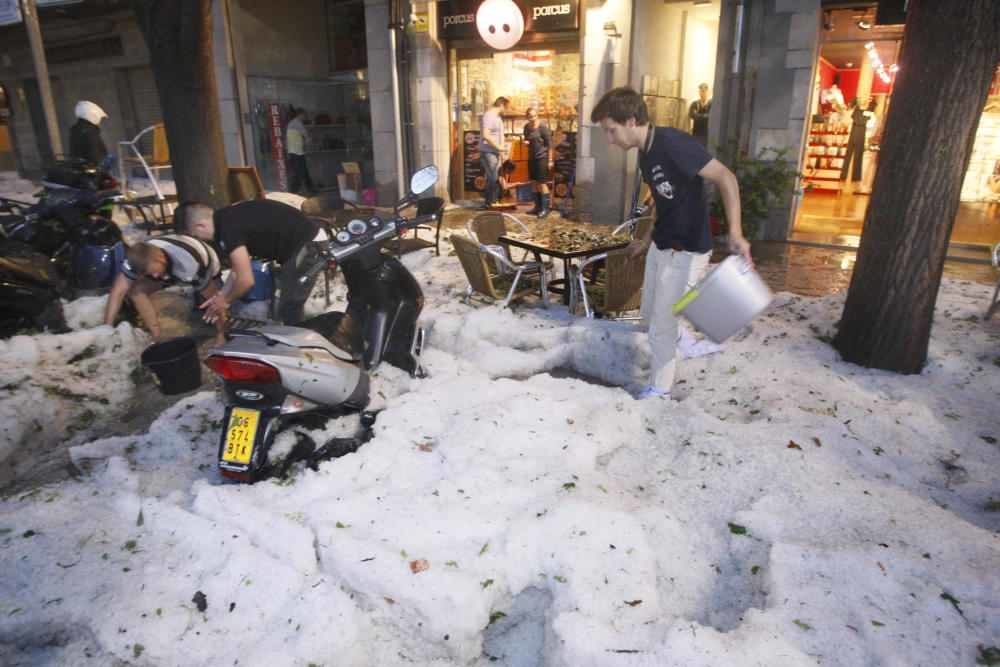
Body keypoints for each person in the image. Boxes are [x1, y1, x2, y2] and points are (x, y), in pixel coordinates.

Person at [590, 86, 751, 400]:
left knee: (662, 322)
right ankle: (678, 337)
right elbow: (662, 202)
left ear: (632, 121)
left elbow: (726, 177)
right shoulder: (644, 154)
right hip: (661, 245)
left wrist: (736, 231)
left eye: (611, 131)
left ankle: (659, 389)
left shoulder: (674, 144)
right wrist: (645, 240)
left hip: (689, 251)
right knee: (649, 315)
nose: (610, 140)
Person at [177, 199, 320, 326]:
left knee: (289, 308)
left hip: (308, 245)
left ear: (200, 226)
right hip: (302, 244)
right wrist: (220, 296)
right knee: (287, 306)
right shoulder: (226, 218)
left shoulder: (228, 229)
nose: (202, 241)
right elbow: (236, 271)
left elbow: (246, 281)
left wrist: (225, 302)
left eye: (197, 236)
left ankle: (301, 350)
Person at [103, 234, 224, 343]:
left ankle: (222, 331)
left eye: (153, 272)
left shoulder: (189, 264)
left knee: (208, 301)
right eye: (148, 273)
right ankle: (156, 333)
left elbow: (215, 299)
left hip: (207, 261)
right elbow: (117, 292)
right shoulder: (136, 260)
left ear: (161, 259)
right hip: (169, 269)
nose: (154, 277)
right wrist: (106, 329)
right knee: (135, 290)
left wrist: (221, 334)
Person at [479, 96, 510, 209]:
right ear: (501, 105)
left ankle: (492, 201)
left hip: (494, 152)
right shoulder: (489, 116)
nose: (506, 110)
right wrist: (499, 148)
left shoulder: (497, 117)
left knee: (494, 177)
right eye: (506, 107)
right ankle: (490, 202)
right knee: (493, 177)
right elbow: (486, 136)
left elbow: (498, 136)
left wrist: (501, 152)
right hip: (488, 152)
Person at [523, 107, 552, 217]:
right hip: (531, 158)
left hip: (542, 157)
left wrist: (550, 160)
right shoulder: (526, 127)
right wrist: (526, 142)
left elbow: (550, 145)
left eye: (534, 116)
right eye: (530, 116)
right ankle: (537, 207)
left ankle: (545, 209)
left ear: (537, 116)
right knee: (534, 182)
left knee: (542, 182)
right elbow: (526, 138)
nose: (532, 119)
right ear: (527, 117)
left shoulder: (542, 127)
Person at [69, 100, 109, 167]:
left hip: (79, 169)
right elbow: (93, 153)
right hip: (91, 171)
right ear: (92, 115)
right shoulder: (90, 131)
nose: (99, 121)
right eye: (99, 118)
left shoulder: (76, 129)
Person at [286, 107, 314, 195]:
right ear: (300, 115)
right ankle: (293, 192)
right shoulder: (298, 124)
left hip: (292, 151)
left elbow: (288, 139)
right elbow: (306, 136)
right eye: (304, 115)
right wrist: (309, 145)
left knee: (303, 171)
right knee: (300, 172)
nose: (305, 117)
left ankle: (311, 189)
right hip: (298, 152)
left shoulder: (290, 124)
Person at [839, 98, 867, 188]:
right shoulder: (859, 113)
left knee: (851, 156)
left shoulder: (855, 113)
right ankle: (854, 177)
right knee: (856, 156)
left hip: (855, 134)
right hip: (858, 134)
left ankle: (846, 176)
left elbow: (849, 122)